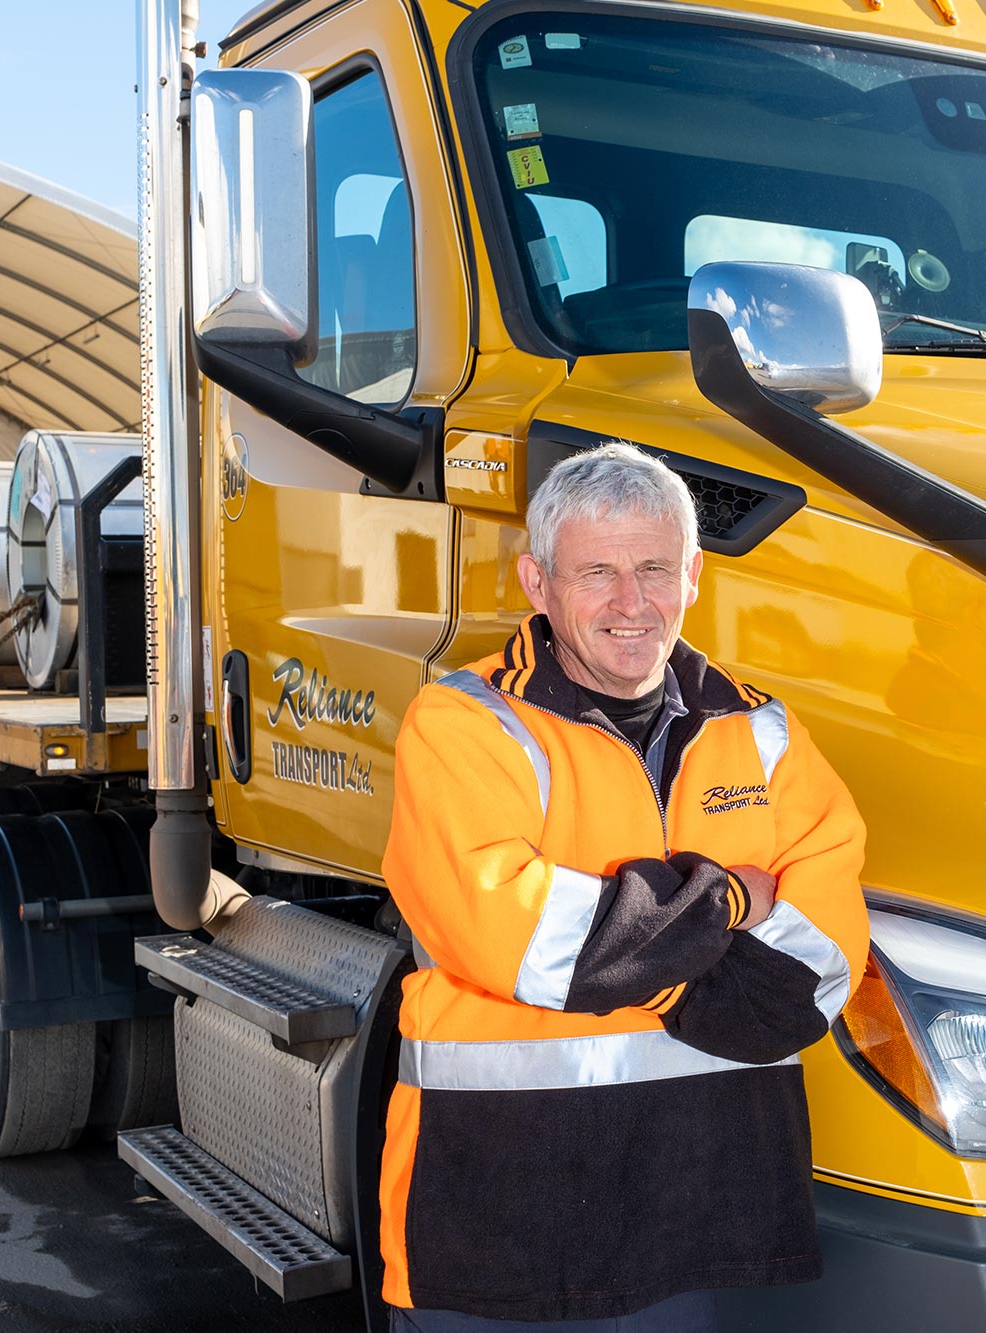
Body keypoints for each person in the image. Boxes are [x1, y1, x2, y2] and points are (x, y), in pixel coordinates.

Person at [378, 443, 869, 1331]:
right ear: (537, 581)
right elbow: (523, 942)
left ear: (693, 577)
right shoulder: (462, 724)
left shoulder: (764, 734)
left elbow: (815, 976)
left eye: (653, 568)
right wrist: (721, 903)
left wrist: (627, 944)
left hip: (692, 1219)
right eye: (596, 571)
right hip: (498, 1218)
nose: (630, 602)